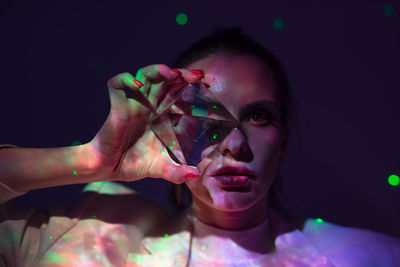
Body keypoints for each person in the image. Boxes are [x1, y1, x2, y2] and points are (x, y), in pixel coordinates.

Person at [0, 27, 399, 267]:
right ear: (171, 129)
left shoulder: (366, 256)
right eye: (209, 118)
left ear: (283, 143)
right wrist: (90, 160)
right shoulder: (86, 232)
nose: (236, 144)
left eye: (259, 117)